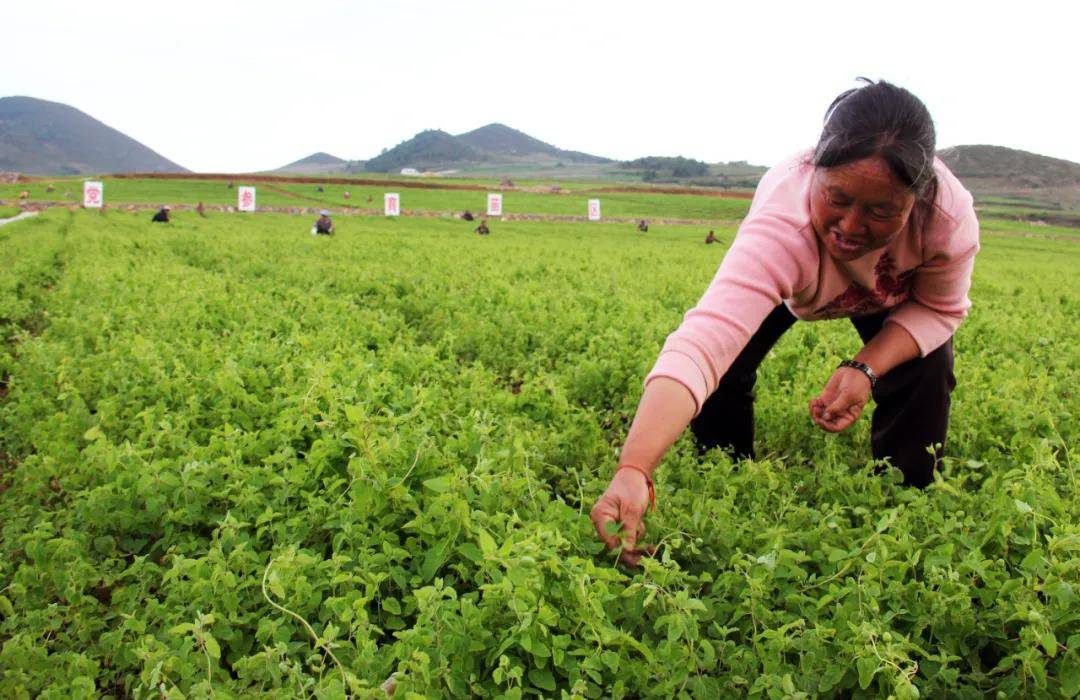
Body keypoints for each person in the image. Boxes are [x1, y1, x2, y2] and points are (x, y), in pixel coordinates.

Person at [590, 80, 980, 566]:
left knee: (926, 368)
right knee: (726, 366)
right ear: (814, 170)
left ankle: (905, 505)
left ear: (916, 200)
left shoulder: (947, 218)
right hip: (797, 284)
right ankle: (727, 472)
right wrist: (634, 467)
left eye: (881, 211)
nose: (852, 227)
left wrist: (866, 366)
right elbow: (702, 344)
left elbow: (940, 309)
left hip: (886, 292)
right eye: (837, 198)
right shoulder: (784, 221)